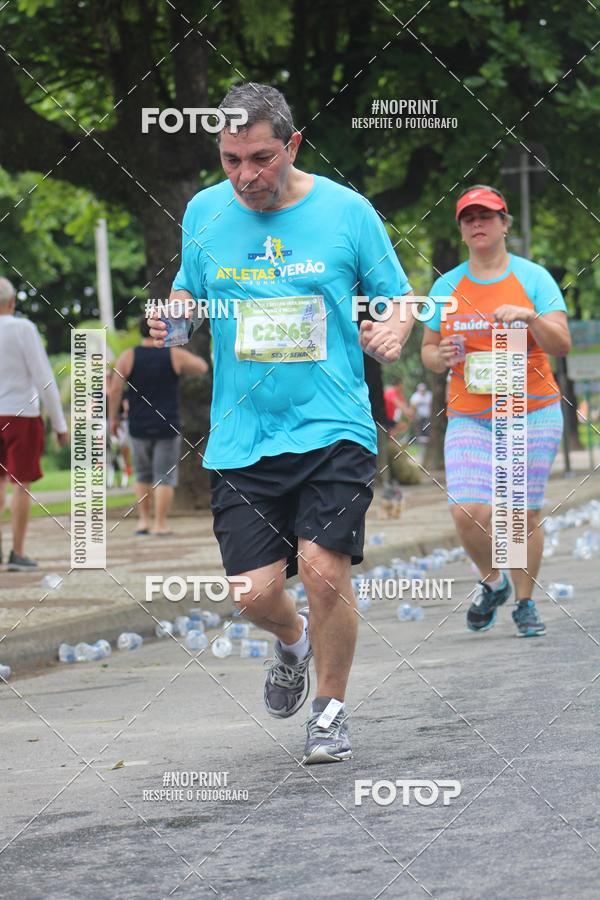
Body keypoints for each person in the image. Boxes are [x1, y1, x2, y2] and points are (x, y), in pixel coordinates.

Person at [150, 82, 414, 764]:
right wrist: (174, 314)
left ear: (292, 144)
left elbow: (396, 298)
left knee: (324, 570)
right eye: (231, 158)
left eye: (260, 158)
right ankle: (292, 645)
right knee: (254, 595)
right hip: (244, 435)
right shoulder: (205, 211)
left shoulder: (346, 212)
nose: (245, 175)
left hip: (333, 425)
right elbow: (190, 291)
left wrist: (392, 329)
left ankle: (329, 709)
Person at [421, 185, 571, 637]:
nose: (478, 224)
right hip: (471, 414)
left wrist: (529, 318)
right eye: (469, 218)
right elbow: (427, 351)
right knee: (468, 510)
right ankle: (494, 581)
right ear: (462, 230)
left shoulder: (533, 279)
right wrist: (440, 354)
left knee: (520, 513)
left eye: (487, 216)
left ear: (505, 224)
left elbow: (561, 344)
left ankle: (525, 603)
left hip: (532, 410)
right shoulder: (445, 286)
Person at [109, 315, 208, 535]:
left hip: (138, 424)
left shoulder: (128, 356)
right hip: (167, 423)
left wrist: (113, 418)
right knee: (165, 475)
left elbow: (115, 389)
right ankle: (160, 524)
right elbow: (201, 367)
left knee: (142, 473)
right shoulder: (173, 354)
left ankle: (143, 522)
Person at [0, 277, 69, 570]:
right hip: (21, 415)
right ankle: (17, 552)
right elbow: (44, 379)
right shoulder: (23, 329)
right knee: (20, 485)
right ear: (12, 302)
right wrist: (59, 424)